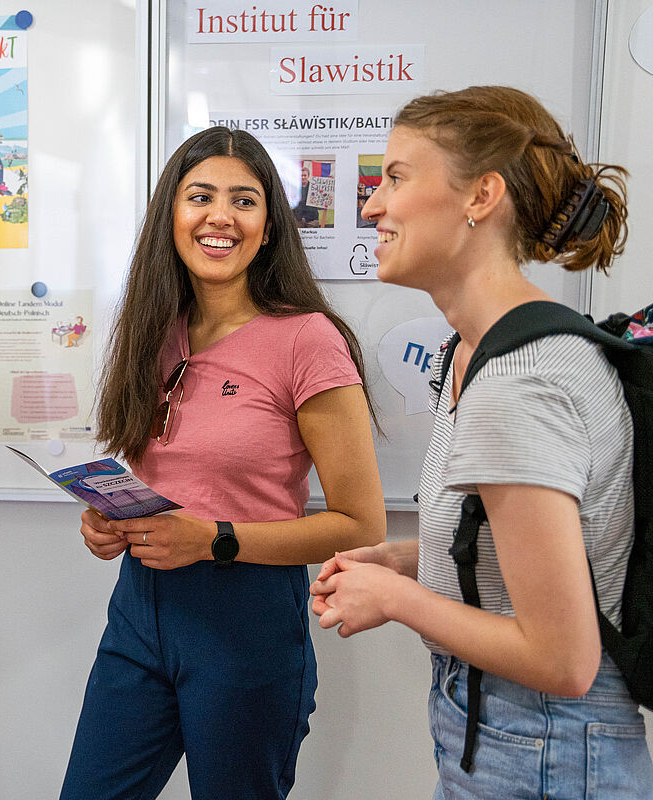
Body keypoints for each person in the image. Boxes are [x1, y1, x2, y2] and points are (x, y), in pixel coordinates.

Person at [310, 85, 653, 798]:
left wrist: (395, 599)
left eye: (397, 177)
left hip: (542, 743)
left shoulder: (520, 381)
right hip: (508, 731)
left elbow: (563, 658)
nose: (371, 205)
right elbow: (541, 547)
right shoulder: (474, 352)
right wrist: (415, 559)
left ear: (481, 196)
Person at [60, 125, 386, 800]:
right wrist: (111, 524)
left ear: (268, 226)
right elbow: (164, 479)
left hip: (247, 623)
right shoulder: (154, 329)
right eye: (200, 196)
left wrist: (214, 538)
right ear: (171, 218)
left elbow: (361, 523)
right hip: (138, 614)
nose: (220, 217)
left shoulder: (306, 339)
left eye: (244, 201)